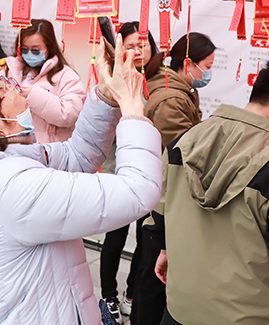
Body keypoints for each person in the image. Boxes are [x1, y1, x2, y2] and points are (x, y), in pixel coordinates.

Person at [0, 36, 162, 324]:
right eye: (7, 88)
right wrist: (133, 111)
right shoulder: (10, 186)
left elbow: (78, 156)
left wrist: (105, 96)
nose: (20, 92)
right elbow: (138, 191)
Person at [151, 57, 269, 325]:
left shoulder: (184, 142)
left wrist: (164, 251)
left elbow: (160, 210)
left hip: (181, 306)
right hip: (249, 314)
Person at [131, 32, 215, 325]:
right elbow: (182, 155)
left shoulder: (178, 89)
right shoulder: (171, 99)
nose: (208, 72)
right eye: (207, 65)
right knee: (154, 277)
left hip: (160, 192)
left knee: (148, 268)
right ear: (188, 63)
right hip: (164, 196)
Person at [100, 22, 162, 324]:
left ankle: (131, 293)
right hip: (118, 168)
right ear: (118, 47)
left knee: (145, 237)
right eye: (131, 45)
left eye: (143, 44)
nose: (138, 51)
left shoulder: (161, 82)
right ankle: (108, 295)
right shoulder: (116, 79)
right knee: (114, 236)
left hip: (150, 171)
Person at [0, 19, 84, 144]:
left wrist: (33, 96)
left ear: (49, 48)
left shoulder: (66, 76)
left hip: (48, 153)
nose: (29, 54)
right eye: (24, 49)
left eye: (35, 50)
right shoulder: (9, 70)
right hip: (11, 148)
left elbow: (70, 115)